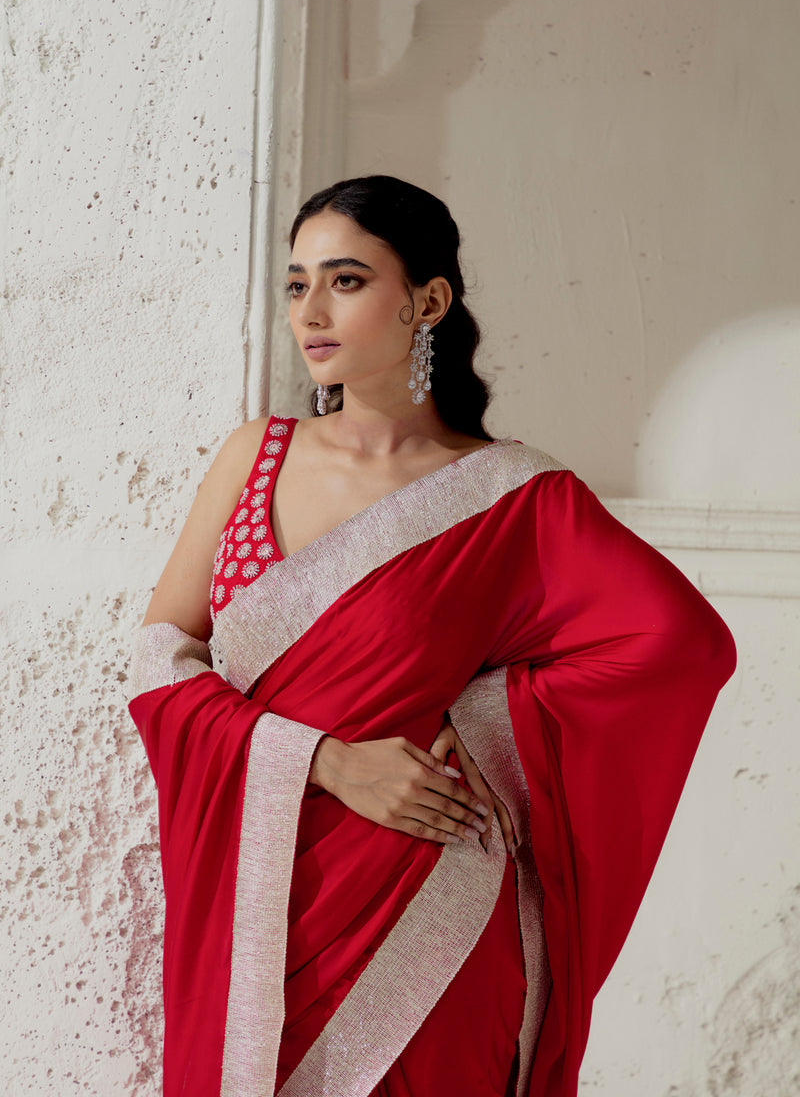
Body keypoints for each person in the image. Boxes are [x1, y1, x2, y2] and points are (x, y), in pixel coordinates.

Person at [128, 175, 736, 1097]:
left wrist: (487, 725)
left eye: (346, 280)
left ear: (428, 301)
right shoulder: (256, 455)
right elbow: (158, 659)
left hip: (429, 909)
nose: (312, 310)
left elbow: (683, 645)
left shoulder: (513, 496)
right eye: (297, 285)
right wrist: (324, 760)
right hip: (262, 904)